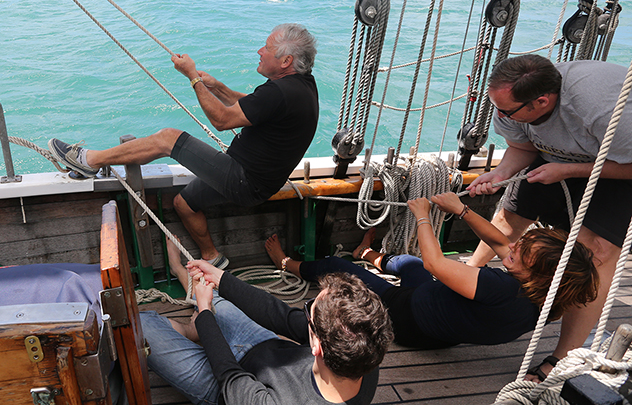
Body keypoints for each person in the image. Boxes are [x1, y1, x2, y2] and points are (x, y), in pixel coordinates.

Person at [48, 23, 319, 269]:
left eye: (267, 48)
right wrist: (216, 87)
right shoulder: (300, 86)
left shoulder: (281, 91)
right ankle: (212, 257)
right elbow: (255, 106)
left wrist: (193, 77)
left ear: (286, 60)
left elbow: (222, 120)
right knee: (184, 203)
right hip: (256, 180)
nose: (260, 50)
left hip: (243, 179)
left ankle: (89, 161)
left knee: (168, 138)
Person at [465, 55, 632, 380]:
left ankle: (563, 356)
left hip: (619, 168)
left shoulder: (603, 107)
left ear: (541, 101)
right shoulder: (508, 100)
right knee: (510, 216)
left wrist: (569, 170)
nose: (499, 116)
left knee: (594, 254)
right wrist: (501, 173)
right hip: (551, 159)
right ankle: (466, 277)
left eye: (506, 111)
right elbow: (522, 145)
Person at [266, 192, 598, 350]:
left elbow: (435, 264)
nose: (512, 247)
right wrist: (462, 210)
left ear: (538, 273)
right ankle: (367, 253)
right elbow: (498, 239)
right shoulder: (546, 301)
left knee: (337, 267)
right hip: (440, 329)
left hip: (405, 317)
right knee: (407, 264)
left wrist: (422, 215)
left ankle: (286, 263)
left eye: (521, 253)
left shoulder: (500, 287)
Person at [138, 238, 393, 404]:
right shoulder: (365, 353)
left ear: (317, 345)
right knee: (214, 294)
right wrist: (222, 278)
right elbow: (280, 317)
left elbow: (229, 376)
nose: (304, 315)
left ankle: (195, 325)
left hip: (226, 386)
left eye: (308, 311)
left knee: (142, 326)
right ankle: (187, 294)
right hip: (263, 346)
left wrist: (205, 313)